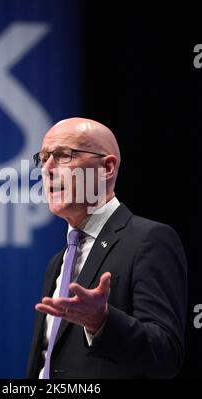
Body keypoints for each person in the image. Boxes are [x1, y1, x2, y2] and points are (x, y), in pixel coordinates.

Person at [26, 117, 187, 379]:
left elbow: (166, 355)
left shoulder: (150, 240)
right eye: (43, 158)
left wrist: (102, 322)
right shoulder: (58, 261)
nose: (48, 168)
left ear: (107, 167)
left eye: (64, 155)